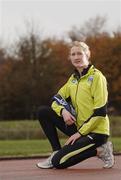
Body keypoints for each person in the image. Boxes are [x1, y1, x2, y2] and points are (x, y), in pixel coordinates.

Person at [36, 41, 114, 169]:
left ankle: (101, 150)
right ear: (70, 57)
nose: (76, 57)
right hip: (79, 127)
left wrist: (79, 134)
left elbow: (100, 112)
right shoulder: (73, 79)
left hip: (96, 132)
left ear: (87, 55)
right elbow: (56, 99)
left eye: (79, 53)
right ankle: (56, 150)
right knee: (43, 112)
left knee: (58, 162)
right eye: (73, 54)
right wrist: (63, 111)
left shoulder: (97, 77)